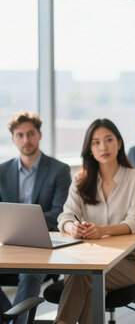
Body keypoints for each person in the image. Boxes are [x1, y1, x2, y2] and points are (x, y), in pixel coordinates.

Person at [55, 118, 135, 324]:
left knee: (83, 273)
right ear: (90, 149)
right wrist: (73, 228)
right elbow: (66, 216)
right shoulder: (81, 179)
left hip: (127, 263)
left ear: (119, 143)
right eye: (96, 142)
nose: (103, 147)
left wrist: (102, 231)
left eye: (108, 140)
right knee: (91, 282)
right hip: (89, 258)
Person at [0, 111, 71, 324]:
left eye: (30, 133)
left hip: (42, 246)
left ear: (39, 135)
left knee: (30, 274)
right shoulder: (2, 171)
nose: (26, 140)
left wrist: (20, 223)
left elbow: (60, 212)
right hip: (8, 245)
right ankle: (11, 320)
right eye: (20, 135)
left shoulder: (59, 170)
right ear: (13, 139)